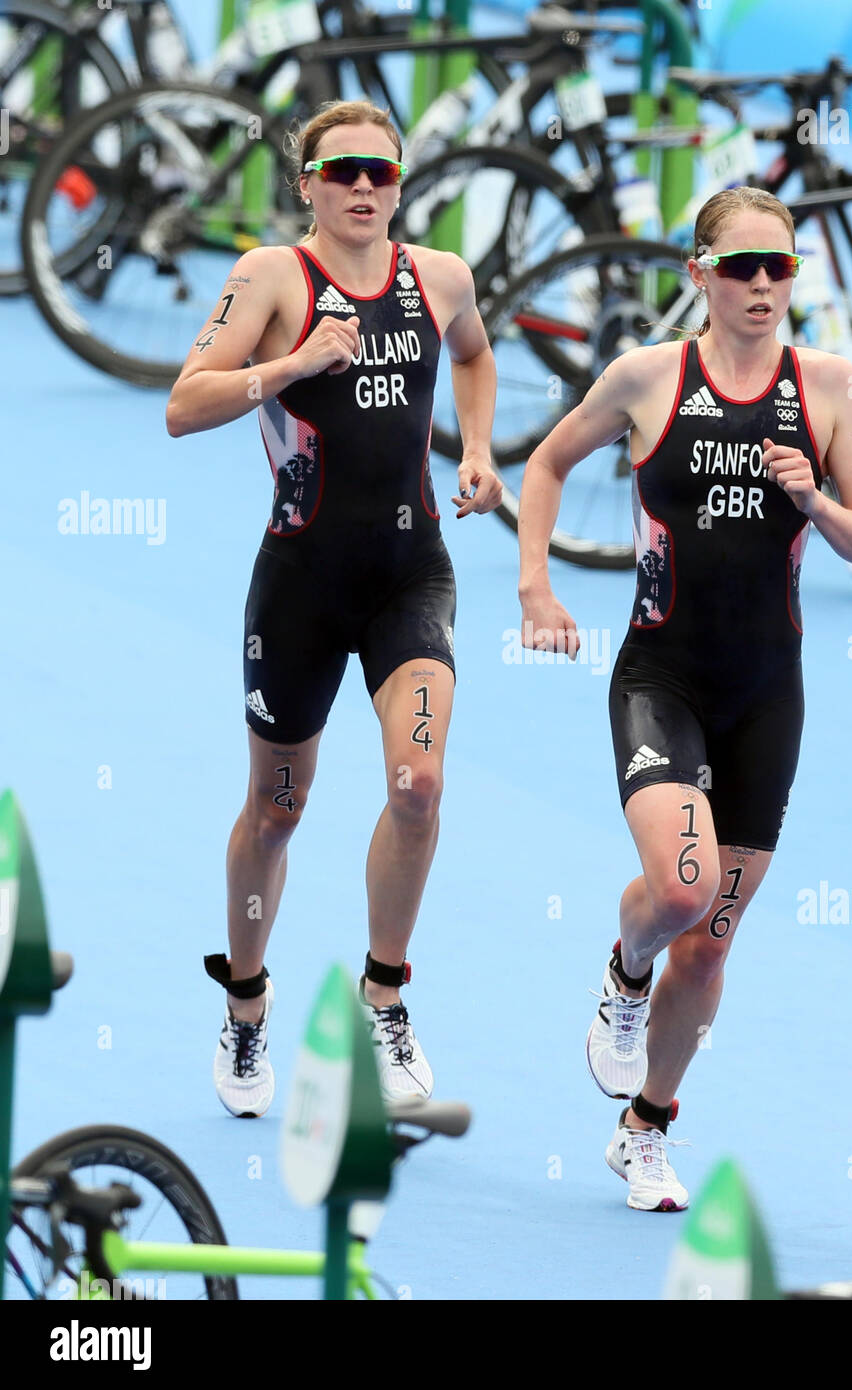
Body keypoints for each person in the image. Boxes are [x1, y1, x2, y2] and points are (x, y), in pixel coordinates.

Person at [516, 187, 852, 1211]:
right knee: (680, 891)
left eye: (780, 267)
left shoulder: (822, 389)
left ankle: (646, 1128)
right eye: (741, 267)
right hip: (660, 678)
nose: (763, 285)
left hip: (767, 695)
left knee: (713, 939)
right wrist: (534, 586)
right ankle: (621, 970)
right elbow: (544, 464)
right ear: (700, 275)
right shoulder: (645, 378)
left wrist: (812, 495)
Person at [165, 100, 499, 1117]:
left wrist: (477, 449)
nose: (363, 186)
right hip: (300, 586)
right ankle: (247, 1004)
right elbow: (185, 403)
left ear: (401, 184)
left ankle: (384, 996)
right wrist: (292, 363)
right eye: (341, 169)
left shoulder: (439, 278)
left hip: (410, 576)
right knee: (277, 810)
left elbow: (477, 357)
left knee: (419, 784)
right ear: (306, 182)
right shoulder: (269, 276)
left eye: (381, 172)